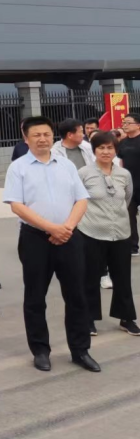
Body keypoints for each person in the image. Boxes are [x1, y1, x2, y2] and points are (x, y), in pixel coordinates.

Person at [3, 116, 99, 373]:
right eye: (36, 135)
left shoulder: (66, 165)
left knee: (77, 295)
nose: (42, 139)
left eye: (46, 134)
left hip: (69, 236)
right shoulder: (18, 168)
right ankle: (40, 350)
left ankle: (80, 350)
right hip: (35, 239)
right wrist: (51, 228)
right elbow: (17, 205)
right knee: (35, 297)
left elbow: (81, 199)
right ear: (26, 138)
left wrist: (66, 227)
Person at [79, 131, 140, 336]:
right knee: (90, 277)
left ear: (116, 150)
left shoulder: (124, 174)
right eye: (101, 148)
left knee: (122, 277)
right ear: (94, 150)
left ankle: (126, 318)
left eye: (110, 148)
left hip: (120, 232)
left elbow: (127, 198)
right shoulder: (84, 173)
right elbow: (78, 201)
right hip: (91, 232)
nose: (106, 151)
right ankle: (88, 318)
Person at [116, 112, 140, 255]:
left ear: (138, 125)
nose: (125, 125)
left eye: (128, 122)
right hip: (130, 185)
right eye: (124, 122)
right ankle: (133, 246)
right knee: (129, 215)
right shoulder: (122, 142)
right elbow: (120, 162)